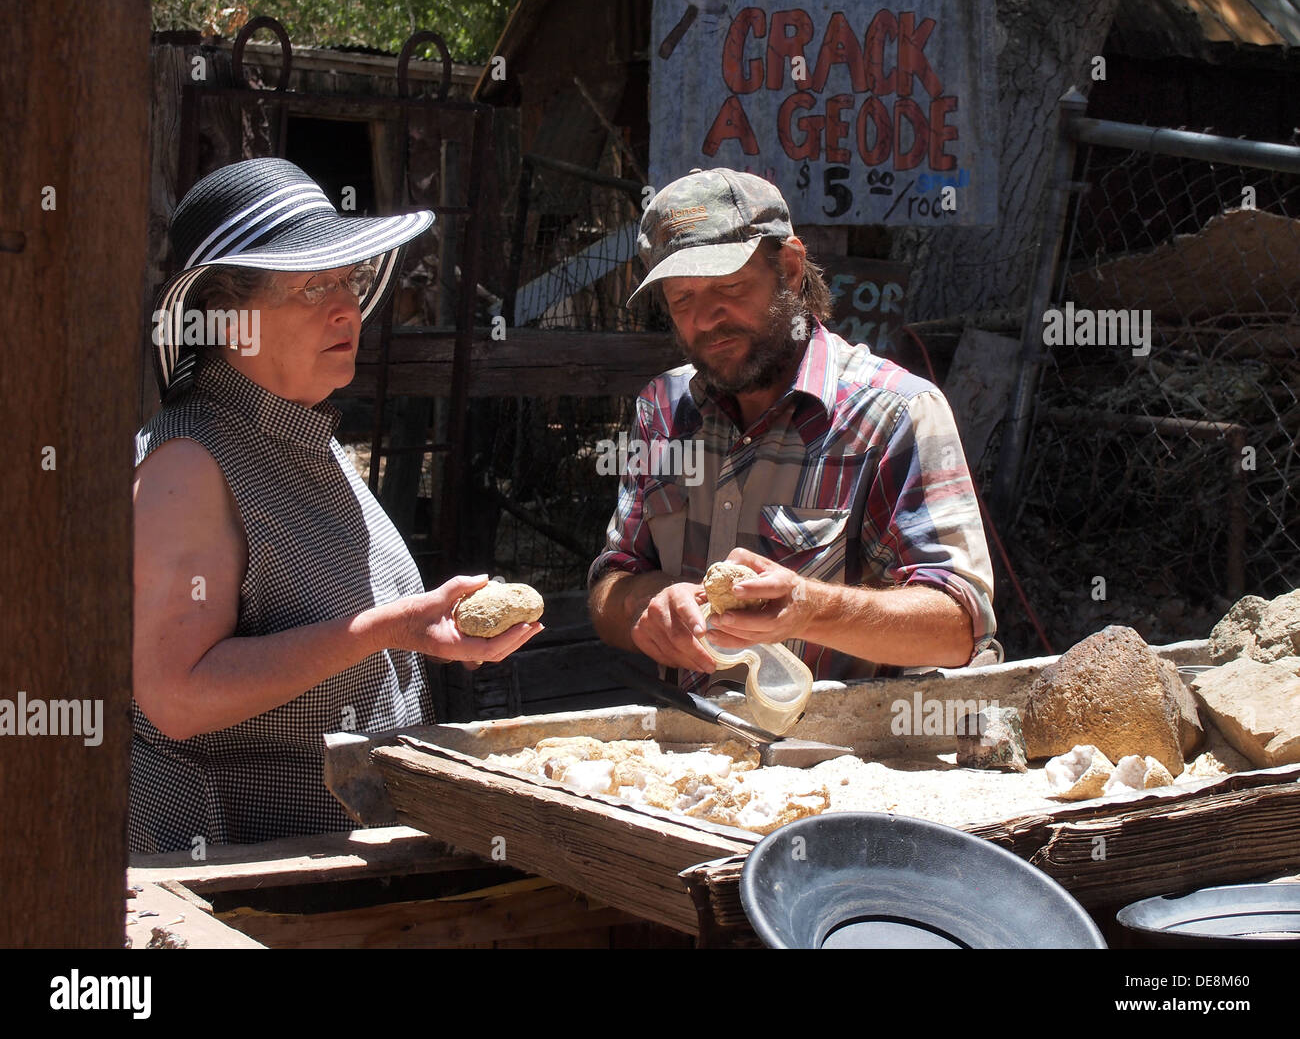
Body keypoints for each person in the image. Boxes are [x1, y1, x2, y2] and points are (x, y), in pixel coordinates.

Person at [132, 158, 541, 852]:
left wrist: (418, 633)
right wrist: (385, 629)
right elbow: (177, 694)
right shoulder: (188, 466)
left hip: (336, 882)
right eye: (312, 286)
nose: (347, 307)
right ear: (228, 319)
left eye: (348, 280)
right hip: (233, 892)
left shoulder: (302, 439)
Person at [587, 167, 996, 693]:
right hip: (695, 753)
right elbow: (608, 586)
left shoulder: (895, 413)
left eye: (730, 287)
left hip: (839, 758)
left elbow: (961, 625)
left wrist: (809, 609)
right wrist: (646, 605)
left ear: (791, 268)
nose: (707, 318)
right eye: (682, 299)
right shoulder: (663, 409)